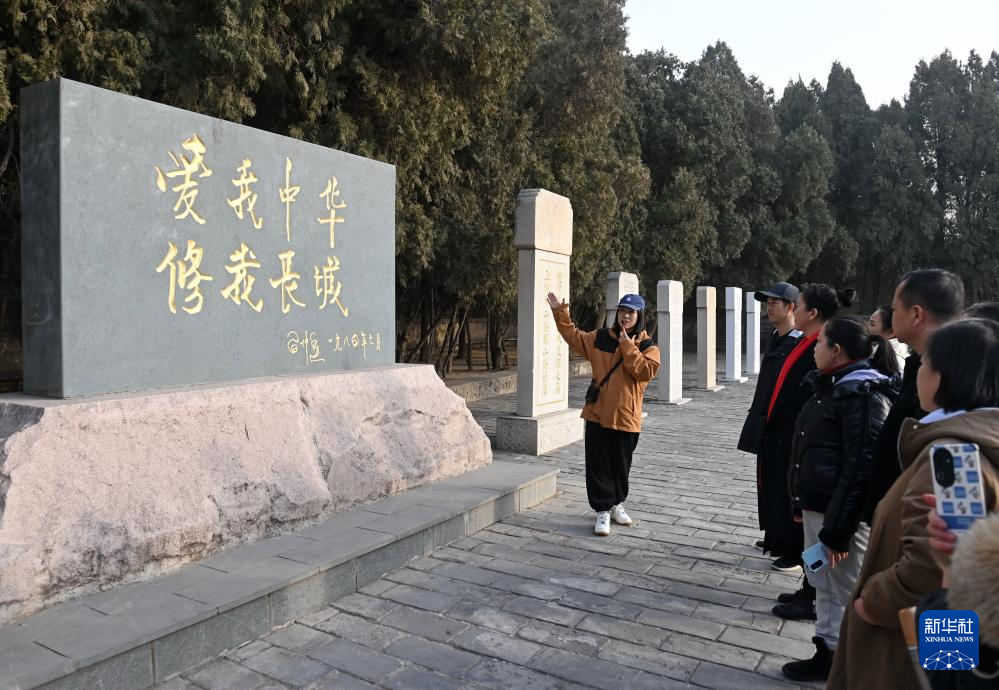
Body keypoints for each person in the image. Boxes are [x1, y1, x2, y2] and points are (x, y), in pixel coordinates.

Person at [827, 318, 999, 690]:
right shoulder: (978, 441)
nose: (918, 373)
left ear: (946, 376)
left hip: (897, 652)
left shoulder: (952, 457)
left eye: (925, 364)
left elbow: (936, 571)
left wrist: (871, 602)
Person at [781, 316, 898, 682]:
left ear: (837, 350)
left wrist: (839, 528)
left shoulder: (863, 395)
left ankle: (851, 663)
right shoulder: (832, 386)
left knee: (844, 587)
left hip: (840, 515)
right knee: (823, 582)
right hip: (820, 506)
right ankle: (828, 652)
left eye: (820, 343)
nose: (814, 348)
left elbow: (862, 468)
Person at [759, 284, 855, 584]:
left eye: (797, 306)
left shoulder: (822, 347)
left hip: (806, 443)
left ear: (812, 313)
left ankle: (808, 581)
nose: (794, 311)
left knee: (809, 519)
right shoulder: (805, 343)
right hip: (792, 435)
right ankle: (807, 582)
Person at [547, 291, 661, 536]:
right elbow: (573, 336)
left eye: (631, 313)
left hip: (626, 417)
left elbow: (644, 372)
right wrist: (560, 313)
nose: (625, 316)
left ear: (639, 316)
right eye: (622, 311)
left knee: (621, 466)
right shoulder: (600, 338)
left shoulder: (648, 347)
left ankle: (617, 504)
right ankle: (602, 510)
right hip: (598, 413)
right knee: (598, 464)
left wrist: (627, 346)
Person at [868, 270, 965, 521]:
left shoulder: (951, 384)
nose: (892, 316)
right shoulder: (918, 367)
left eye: (895, 308)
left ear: (916, 314)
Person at [868, 304, 907, 371]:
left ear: (891, 332)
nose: (866, 327)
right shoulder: (902, 356)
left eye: (872, 324)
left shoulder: (890, 360)